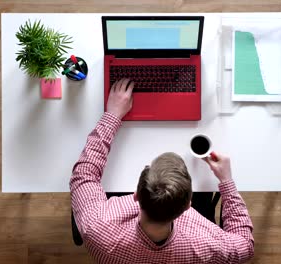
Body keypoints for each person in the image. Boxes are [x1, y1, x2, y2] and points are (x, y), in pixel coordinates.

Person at [70, 78, 254, 263]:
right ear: (189, 205)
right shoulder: (205, 246)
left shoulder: (96, 229)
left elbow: (84, 174)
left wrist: (112, 115)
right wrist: (227, 183)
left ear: (135, 196)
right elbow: (245, 246)